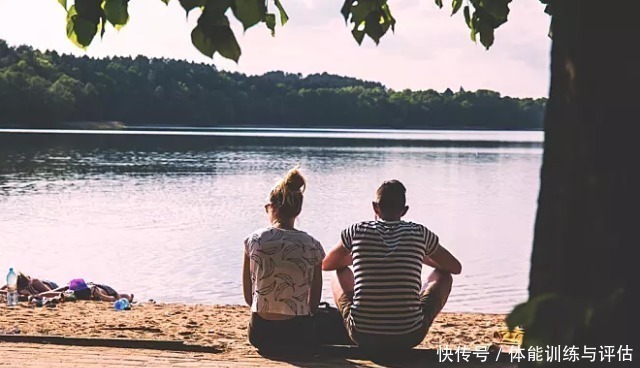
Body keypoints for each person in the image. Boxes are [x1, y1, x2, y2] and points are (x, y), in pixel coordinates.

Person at [322, 179, 462, 351]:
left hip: (362, 334)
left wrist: (362, 255)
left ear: (375, 207)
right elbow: (455, 267)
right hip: (409, 335)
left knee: (339, 271)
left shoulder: (357, 230)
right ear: (404, 210)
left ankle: (359, 317)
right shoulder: (419, 232)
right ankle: (407, 312)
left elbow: (327, 264)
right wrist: (419, 254)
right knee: (444, 275)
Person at [242, 167, 325, 353]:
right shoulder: (312, 245)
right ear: (298, 210)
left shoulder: (253, 240)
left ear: (273, 208)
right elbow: (314, 304)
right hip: (298, 334)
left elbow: (249, 298)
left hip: (260, 333)